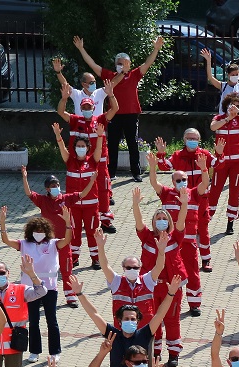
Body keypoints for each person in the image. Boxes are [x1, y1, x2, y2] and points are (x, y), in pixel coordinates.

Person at [74, 35, 166, 183]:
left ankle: (136, 173)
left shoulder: (134, 74)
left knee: (132, 144)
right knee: (112, 145)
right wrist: (81, 49)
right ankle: (111, 172)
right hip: (114, 115)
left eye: (123, 63)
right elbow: (92, 64)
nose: (120, 65)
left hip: (131, 114)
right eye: (118, 63)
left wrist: (156, 49)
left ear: (128, 64)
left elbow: (147, 63)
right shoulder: (109, 75)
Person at [73, 259, 180, 367]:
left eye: (133, 319)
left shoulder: (144, 334)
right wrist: (79, 294)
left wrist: (171, 294)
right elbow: (94, 314)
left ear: (138, 321)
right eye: (126, 319)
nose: (130, 321)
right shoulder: (113, 335)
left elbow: (160, 314)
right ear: (119, 321)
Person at [0, 205, 72, 365]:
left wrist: (67, 223)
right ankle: (34, 351)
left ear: (46, 231)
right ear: (30, 231)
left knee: (52, 321)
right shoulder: (24, 244)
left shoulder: (52, 244)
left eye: (41, 230)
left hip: (49, 288)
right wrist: (2, 224)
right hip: (29, 289)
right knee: (34, 321)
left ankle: (55, 352)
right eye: (36, 230)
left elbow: (67, 240)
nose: (39, 233)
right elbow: (6, 240)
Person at [54, 75, 120, 236]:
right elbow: (61, 111)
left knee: (103, 190)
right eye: (84, 108)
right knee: (79, 188)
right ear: (80, 109)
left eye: (89, 107)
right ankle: (77, 218)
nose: (87, 110)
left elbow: (115, 109)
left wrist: (111, 95)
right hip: (81, 162)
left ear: (94, 107)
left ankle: (105, 219)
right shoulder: (76, 120)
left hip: (100, 161)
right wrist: (63, 98)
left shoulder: (100, 119)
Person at [21, 165, 95, 307]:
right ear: (47, 189)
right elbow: (29, 193)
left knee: (67, 270)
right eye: (53, 186)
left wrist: (91, 181)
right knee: (44, 271)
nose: (56, 187)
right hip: (47, 244)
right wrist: (25, 177)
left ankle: (70, 296)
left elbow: (82, 194)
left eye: (58, 185)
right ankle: (41, 295)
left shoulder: (66, 199)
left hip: (63, 242)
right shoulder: (43, 200)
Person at [131, 187, 188, 366]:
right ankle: (155, 352)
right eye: (158, 219)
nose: (161, 221)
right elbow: (139, 222)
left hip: (172, 287)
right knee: (151, 319)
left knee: (171, 320)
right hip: (150, 286)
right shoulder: (147, 237)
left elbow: (181, 222)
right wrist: (135, 204)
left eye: (164, 219)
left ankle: (173, 354)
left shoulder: (175, 237)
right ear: (154, 222)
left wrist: (184, 204)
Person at [148, 157, 209, 317]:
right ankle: (169, 302)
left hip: (188, 242)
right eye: (178, 180)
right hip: (171, 244)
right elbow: (154, 183)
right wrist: (153, 167)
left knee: (193, 272)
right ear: (172, 182)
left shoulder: (194, 194)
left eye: (184, 179)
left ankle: (195, 303)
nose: (182, 182)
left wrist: (203, 168)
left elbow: (205, 184)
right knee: (170, 273)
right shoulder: (167, 194)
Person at [154, 131, 216, 274]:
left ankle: (206, 260)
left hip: (201, 198)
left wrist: (218, 153)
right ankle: (179, 256)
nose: (192, 141)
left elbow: (219, 164)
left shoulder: (204, 154)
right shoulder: (177, 155)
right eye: (189, 138)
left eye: (195, 139)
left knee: (203, 229)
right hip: (182, 199)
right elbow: (164, 167)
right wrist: (161, 153)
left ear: (199, 140)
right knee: (182, 228)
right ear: (184, 139)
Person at [49, 121, 100, 273]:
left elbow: (98, 149)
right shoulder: (70, 161)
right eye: (78, 146)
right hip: (73, 205)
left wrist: (100, 136)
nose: (80, 149)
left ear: (87, 148)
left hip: (91, 205)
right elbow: (62, 149)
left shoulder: (92, 161)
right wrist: (58, 135)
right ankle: (74, 257)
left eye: (83, 146)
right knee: (74, 231)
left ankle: (95, 258)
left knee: (92, 231)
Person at [94, 229, 161, 324]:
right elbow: (105, 266)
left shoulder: (147, 281)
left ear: (140, 268)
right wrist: (100, 247)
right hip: (121, 332)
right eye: (128, 268)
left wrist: (161, 251)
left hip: (144, 333)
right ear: (123, 268)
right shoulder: (116, 282)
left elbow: (159, 266)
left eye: (135, 267)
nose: (132, 270)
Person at [211, 94, 239, 235]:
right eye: (232, 104)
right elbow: (213, 127)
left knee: (234, 192)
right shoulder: (219, 118)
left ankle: (230, 222)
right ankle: (206, 218)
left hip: (237, 163)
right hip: (221, 162)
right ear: (227, 105)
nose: (234, 107)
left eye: (237, 105)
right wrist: (227, 118)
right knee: (214, 191)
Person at [199, 42, 239, 109]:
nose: (235, 76)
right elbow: (210, 77)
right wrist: (208, 61)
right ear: (228, 75)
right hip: (225, 117)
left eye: (237, 74)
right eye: (233, 75)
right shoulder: (223, 86)